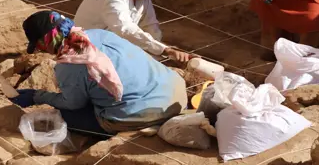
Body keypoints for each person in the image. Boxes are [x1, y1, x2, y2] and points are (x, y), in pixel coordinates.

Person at [11, 11, 188, 136]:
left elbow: (73, 104)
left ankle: (127, 127)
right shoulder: (100, 34)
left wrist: (37, 96)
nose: (42, 51)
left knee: (65, 116)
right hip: (176, 95)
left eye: (40, 46)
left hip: (143, 114)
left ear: (46, 40)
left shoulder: (68, 65)